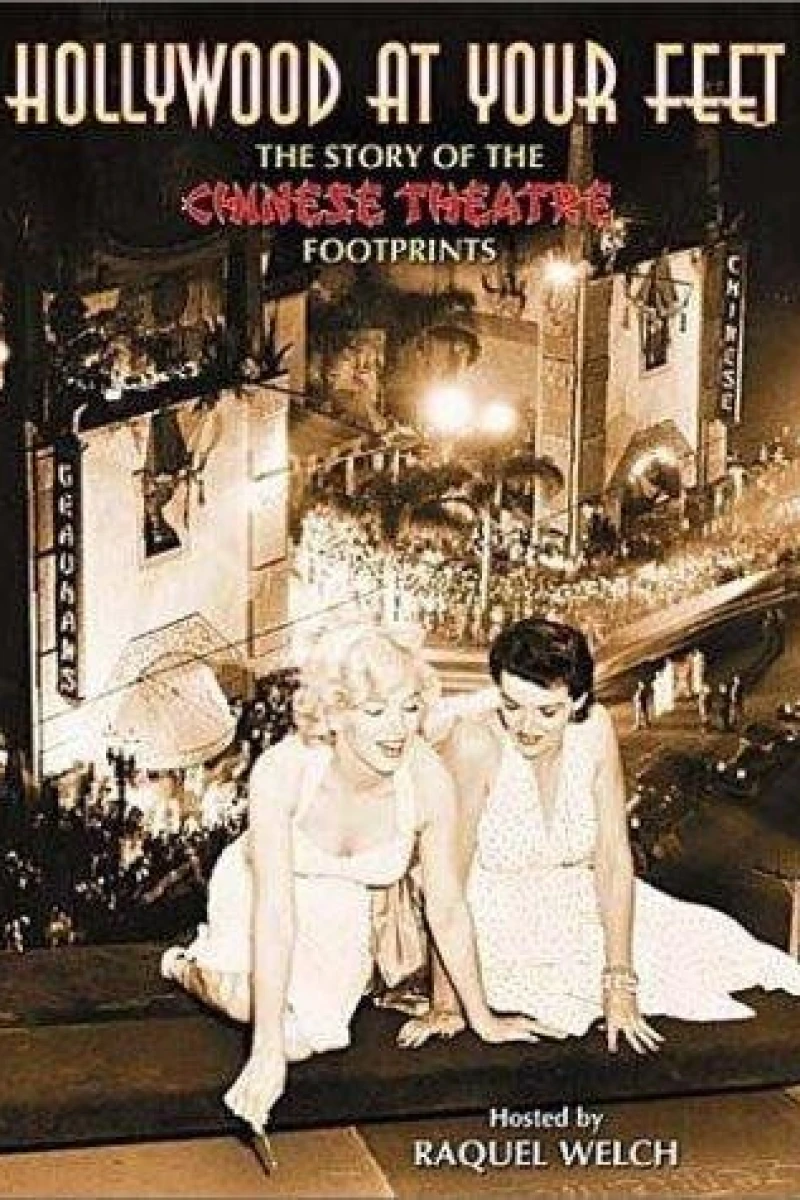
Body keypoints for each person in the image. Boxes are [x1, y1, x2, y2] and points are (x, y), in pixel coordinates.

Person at [161, 621, 550, 1138]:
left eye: (409, 707)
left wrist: (483, 1018)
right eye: (375, 711)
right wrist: (264, 1051)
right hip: (259, 888)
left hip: (343, 903)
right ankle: (185, 964)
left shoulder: (428, 780)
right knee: (250, 1007)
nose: (398, 729)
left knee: (310, 1037)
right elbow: (274, 911)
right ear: (335, 713)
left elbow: (448, 907)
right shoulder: (283, 771)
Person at [404, 617, 800, 1054]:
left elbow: (613, 858)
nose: (526, 726)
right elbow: (446, 887)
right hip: (492, 930)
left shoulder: (594, 729)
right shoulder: (473, 745)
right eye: (512, 706)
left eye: (547, 711)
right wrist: (449, 1004)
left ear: (577, 701)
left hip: (580, 906)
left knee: (722, 955)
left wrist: (619, 980)